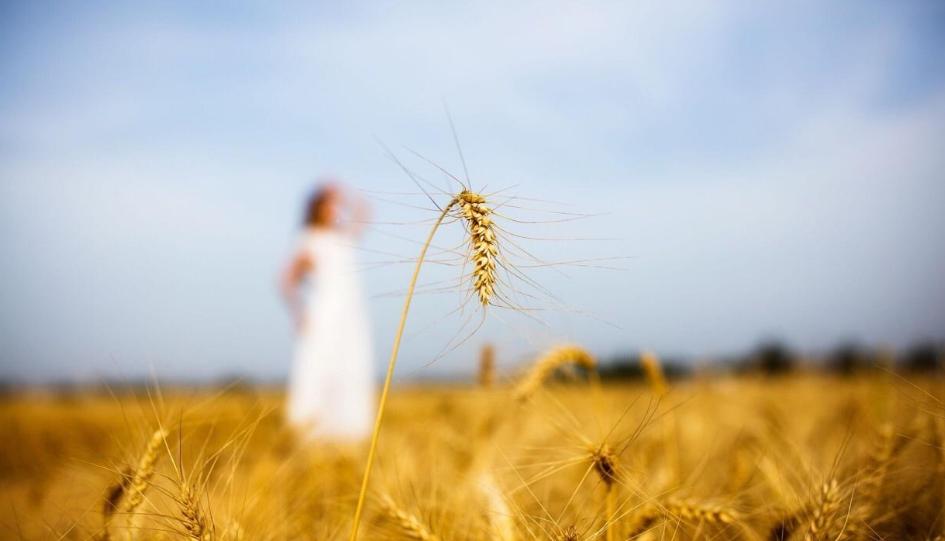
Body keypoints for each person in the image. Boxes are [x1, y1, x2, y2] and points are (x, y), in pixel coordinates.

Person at [280, 182, 374, 441]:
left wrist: (344, 193)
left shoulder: (343, 235)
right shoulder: (309, 238)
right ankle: (313, 432)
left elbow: (365, 213)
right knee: (320, 367)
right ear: (317, 208)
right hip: (325, 313)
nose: (335, 209)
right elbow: (287, 280)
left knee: (352, 365)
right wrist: (299, 314)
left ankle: (348, 434)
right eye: (329, 204)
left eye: (336, 204)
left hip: (351, 314)